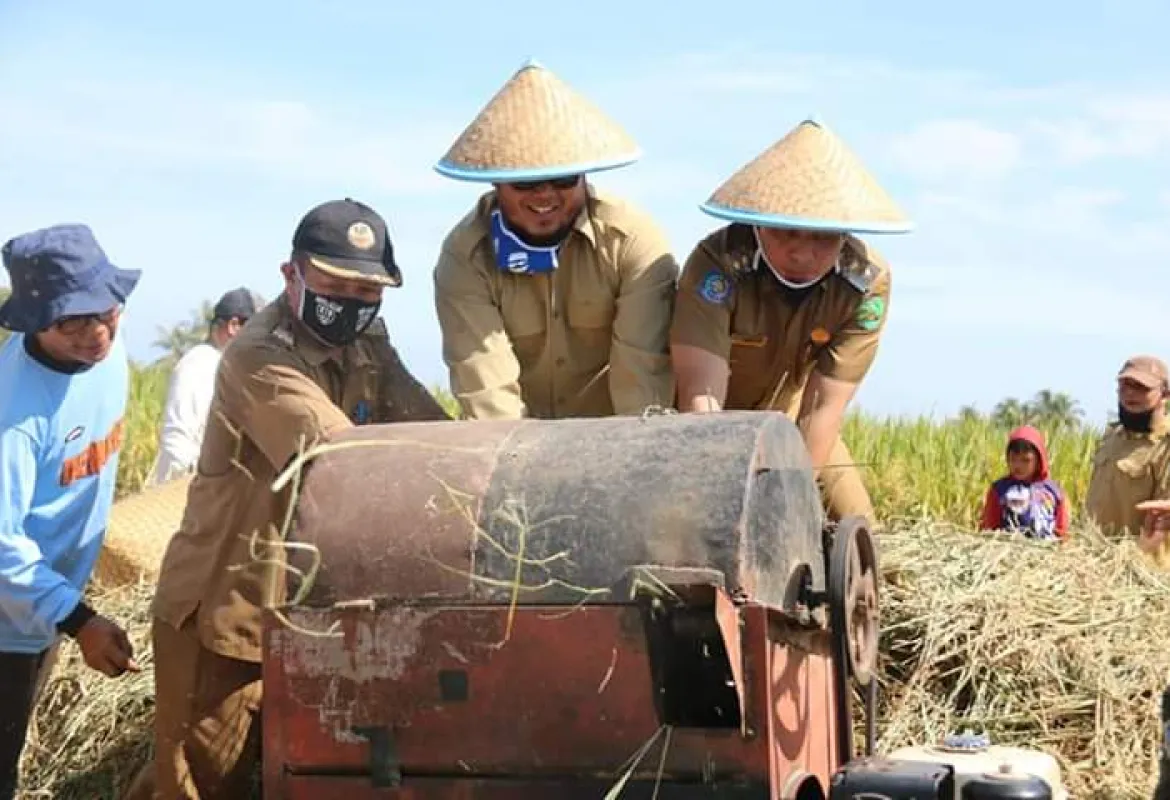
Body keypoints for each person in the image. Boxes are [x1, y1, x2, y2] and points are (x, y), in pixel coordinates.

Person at [125, 198, 451, 799]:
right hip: (229, 610)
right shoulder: (259, 354)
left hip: (307, 606)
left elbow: (425, 427)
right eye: (333, 284)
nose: (350, 301)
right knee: (197, 782)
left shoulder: (368, 341)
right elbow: (341, 461)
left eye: (366, 290)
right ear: (290, 275)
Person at [669, 117, 913, 524]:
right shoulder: (717, 264)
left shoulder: (865, 284)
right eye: (786, 234)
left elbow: (824, 408)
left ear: (845, 233)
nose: (802, 254)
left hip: (788, 419)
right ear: (759, 225)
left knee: (860, 531)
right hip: (708, 427)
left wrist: (788, 500)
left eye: (822, 238)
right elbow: (700, 397)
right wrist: (718, 496)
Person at [432, 58, 679, 420]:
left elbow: (641, 387)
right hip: (514, 439)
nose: (545, 195)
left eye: (563, 179)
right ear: (495, 181)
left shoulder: (632, 242)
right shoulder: (465, 258)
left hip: (615, 435)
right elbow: (488, 397)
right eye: (526, 183)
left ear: (584, 175)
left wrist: (630, 453)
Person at [0, 223, 142, 798]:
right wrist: (80, 620)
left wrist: (67, 614)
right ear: (35, 321)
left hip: (46, 609)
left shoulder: (110, 352)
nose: (95, 333)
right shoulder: (14, 415)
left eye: (103, 311)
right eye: (71, 322)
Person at [146, 287, 265, 486]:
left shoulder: (219, 365)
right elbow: (178, 440)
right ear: (234, 326)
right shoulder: (200, 364)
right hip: (186, 484)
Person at [1085, 355, 1170, 543]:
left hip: (1138, 557)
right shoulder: (1112, 436)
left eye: (1141, 387)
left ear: (1165, 395)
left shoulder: (1165, 446)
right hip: (1093, 552)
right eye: (1125, 385)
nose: (1130, 393)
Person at [978, 425, 1070, 541]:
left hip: (1046, 549)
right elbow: (990, 528)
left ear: (1038, 460)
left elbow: (1062, 531)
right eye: (1013, 459)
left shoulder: (1054, 491)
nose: (1018, 465)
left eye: (1026, 460)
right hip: (1009, 548)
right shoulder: (999, 490)